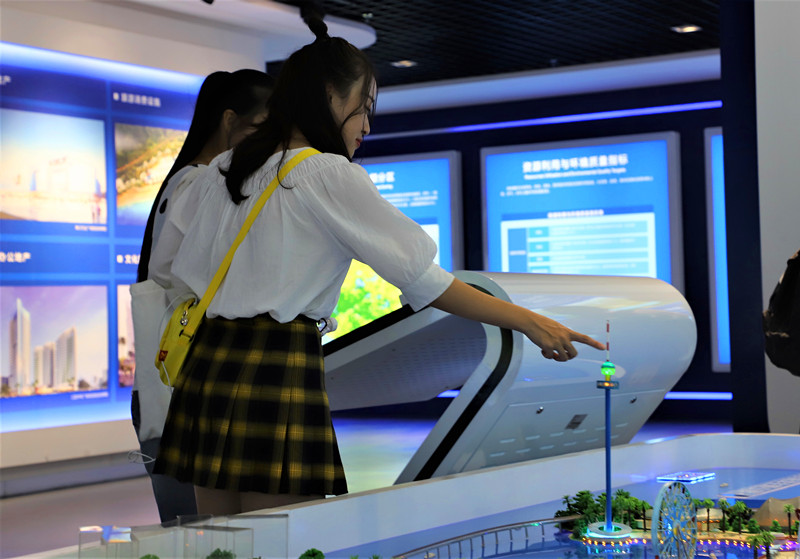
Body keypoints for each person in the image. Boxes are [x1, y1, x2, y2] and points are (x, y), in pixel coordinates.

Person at [152, 10, 605, 516]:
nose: (366, 125)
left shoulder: (220, 170)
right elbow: (425, 280)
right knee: (282, 537)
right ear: (330, 96)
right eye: (363, 107)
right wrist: (529, 321)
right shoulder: (326, 173)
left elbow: (172, 274)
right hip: (276, 365)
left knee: (221, 538)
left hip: (208, 364)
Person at [131, 68, 274, 523]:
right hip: (185, 380)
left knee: (198, 529)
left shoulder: (189, 179)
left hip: (172, 376)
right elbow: (180, 277)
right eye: (260, 127)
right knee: (196, 531)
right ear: (229, 120)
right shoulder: (201, 183)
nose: (268, 143)